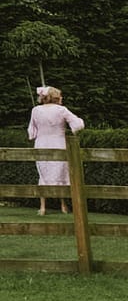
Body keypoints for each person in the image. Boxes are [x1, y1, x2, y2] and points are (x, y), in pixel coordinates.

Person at [26, 86, 84, 216]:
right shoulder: (61, 110)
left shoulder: (35, 110)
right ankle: (63, 205)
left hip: (41, 144)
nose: (62, 98)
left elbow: (31, 130)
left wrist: (33, 135)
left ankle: (43, 207)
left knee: (43, 174)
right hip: (58, 143)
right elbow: (78, 124)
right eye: (60, 96)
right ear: (55, 97)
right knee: (60, 174)